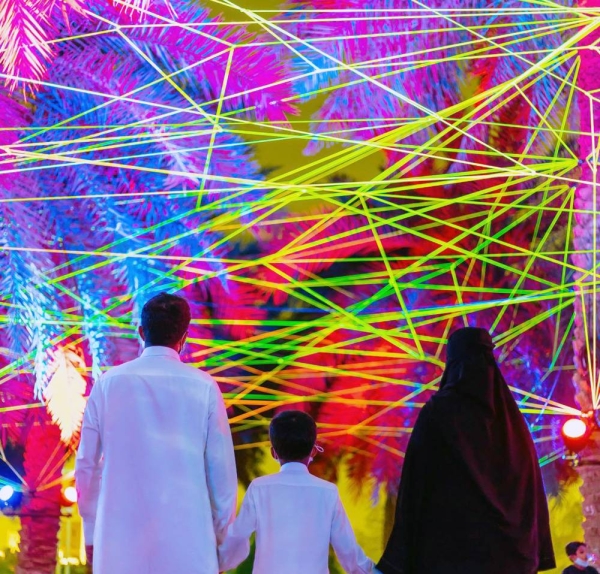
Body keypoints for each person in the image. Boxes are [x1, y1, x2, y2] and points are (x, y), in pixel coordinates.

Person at [75, 292, 237, 574]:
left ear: (141, 332)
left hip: (118, 545)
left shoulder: (107, 384)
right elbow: (221, 476)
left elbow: (86, 467)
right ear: (184, 337)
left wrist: (91, 531)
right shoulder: (205, 387)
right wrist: (222, 544)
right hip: (190, 547)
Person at [376, 327, 555, 574]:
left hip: (449, 559)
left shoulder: (439, 413)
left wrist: (397, 559)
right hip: (512, 560)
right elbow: (531, 494)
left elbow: (415, 486)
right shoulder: (513, 425)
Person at [218, 410, 374, 574]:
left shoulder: (259, 488)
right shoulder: (328, 492)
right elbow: (348, 551)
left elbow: (237, 537)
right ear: (313, 451)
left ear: (273, 452)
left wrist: (219, 563)